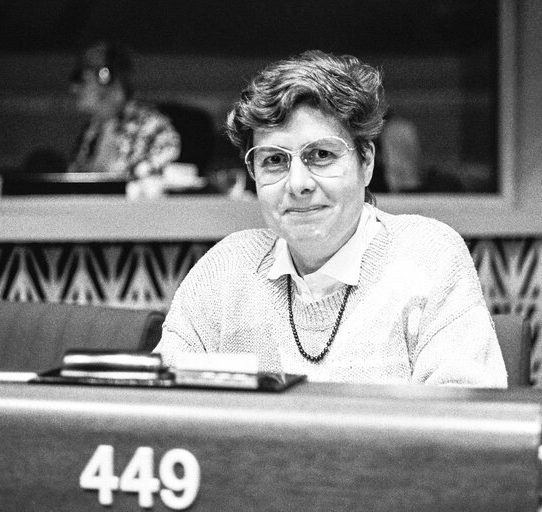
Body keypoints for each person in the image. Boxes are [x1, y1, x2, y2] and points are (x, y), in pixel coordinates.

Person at [153, 50, 506, 387]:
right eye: (274, 161)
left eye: (321, 155)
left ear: (366, 162)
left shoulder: (430, 260)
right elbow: (157, 413)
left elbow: (467, 428)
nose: (299, 184)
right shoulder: (225, 271)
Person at [66, 40, 181, 181]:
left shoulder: (153, 128)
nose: (74, 89)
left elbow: (148, 184)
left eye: (80, 79)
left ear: (105, 77)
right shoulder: (90, 133)